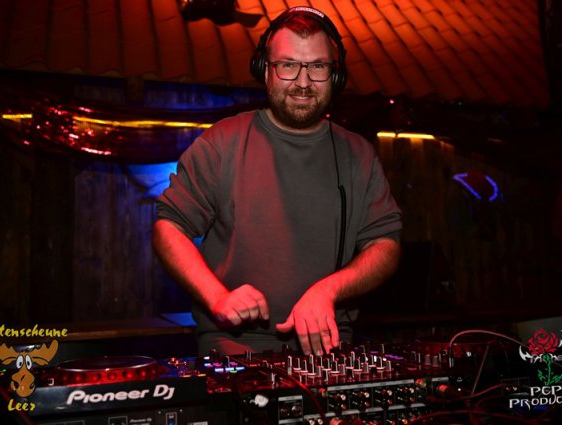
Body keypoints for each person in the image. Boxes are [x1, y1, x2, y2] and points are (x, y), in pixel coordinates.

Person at [153, 6, 402, 356]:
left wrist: (329, 290)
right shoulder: (222, 143)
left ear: (335, 76)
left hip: (330, 351)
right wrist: (217, 296)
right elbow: (169, 228)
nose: (303, 82)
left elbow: (385, 246)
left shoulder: (358, 154)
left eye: (317, 67)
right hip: (234, 348)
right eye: (288, 65)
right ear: (265, 71)